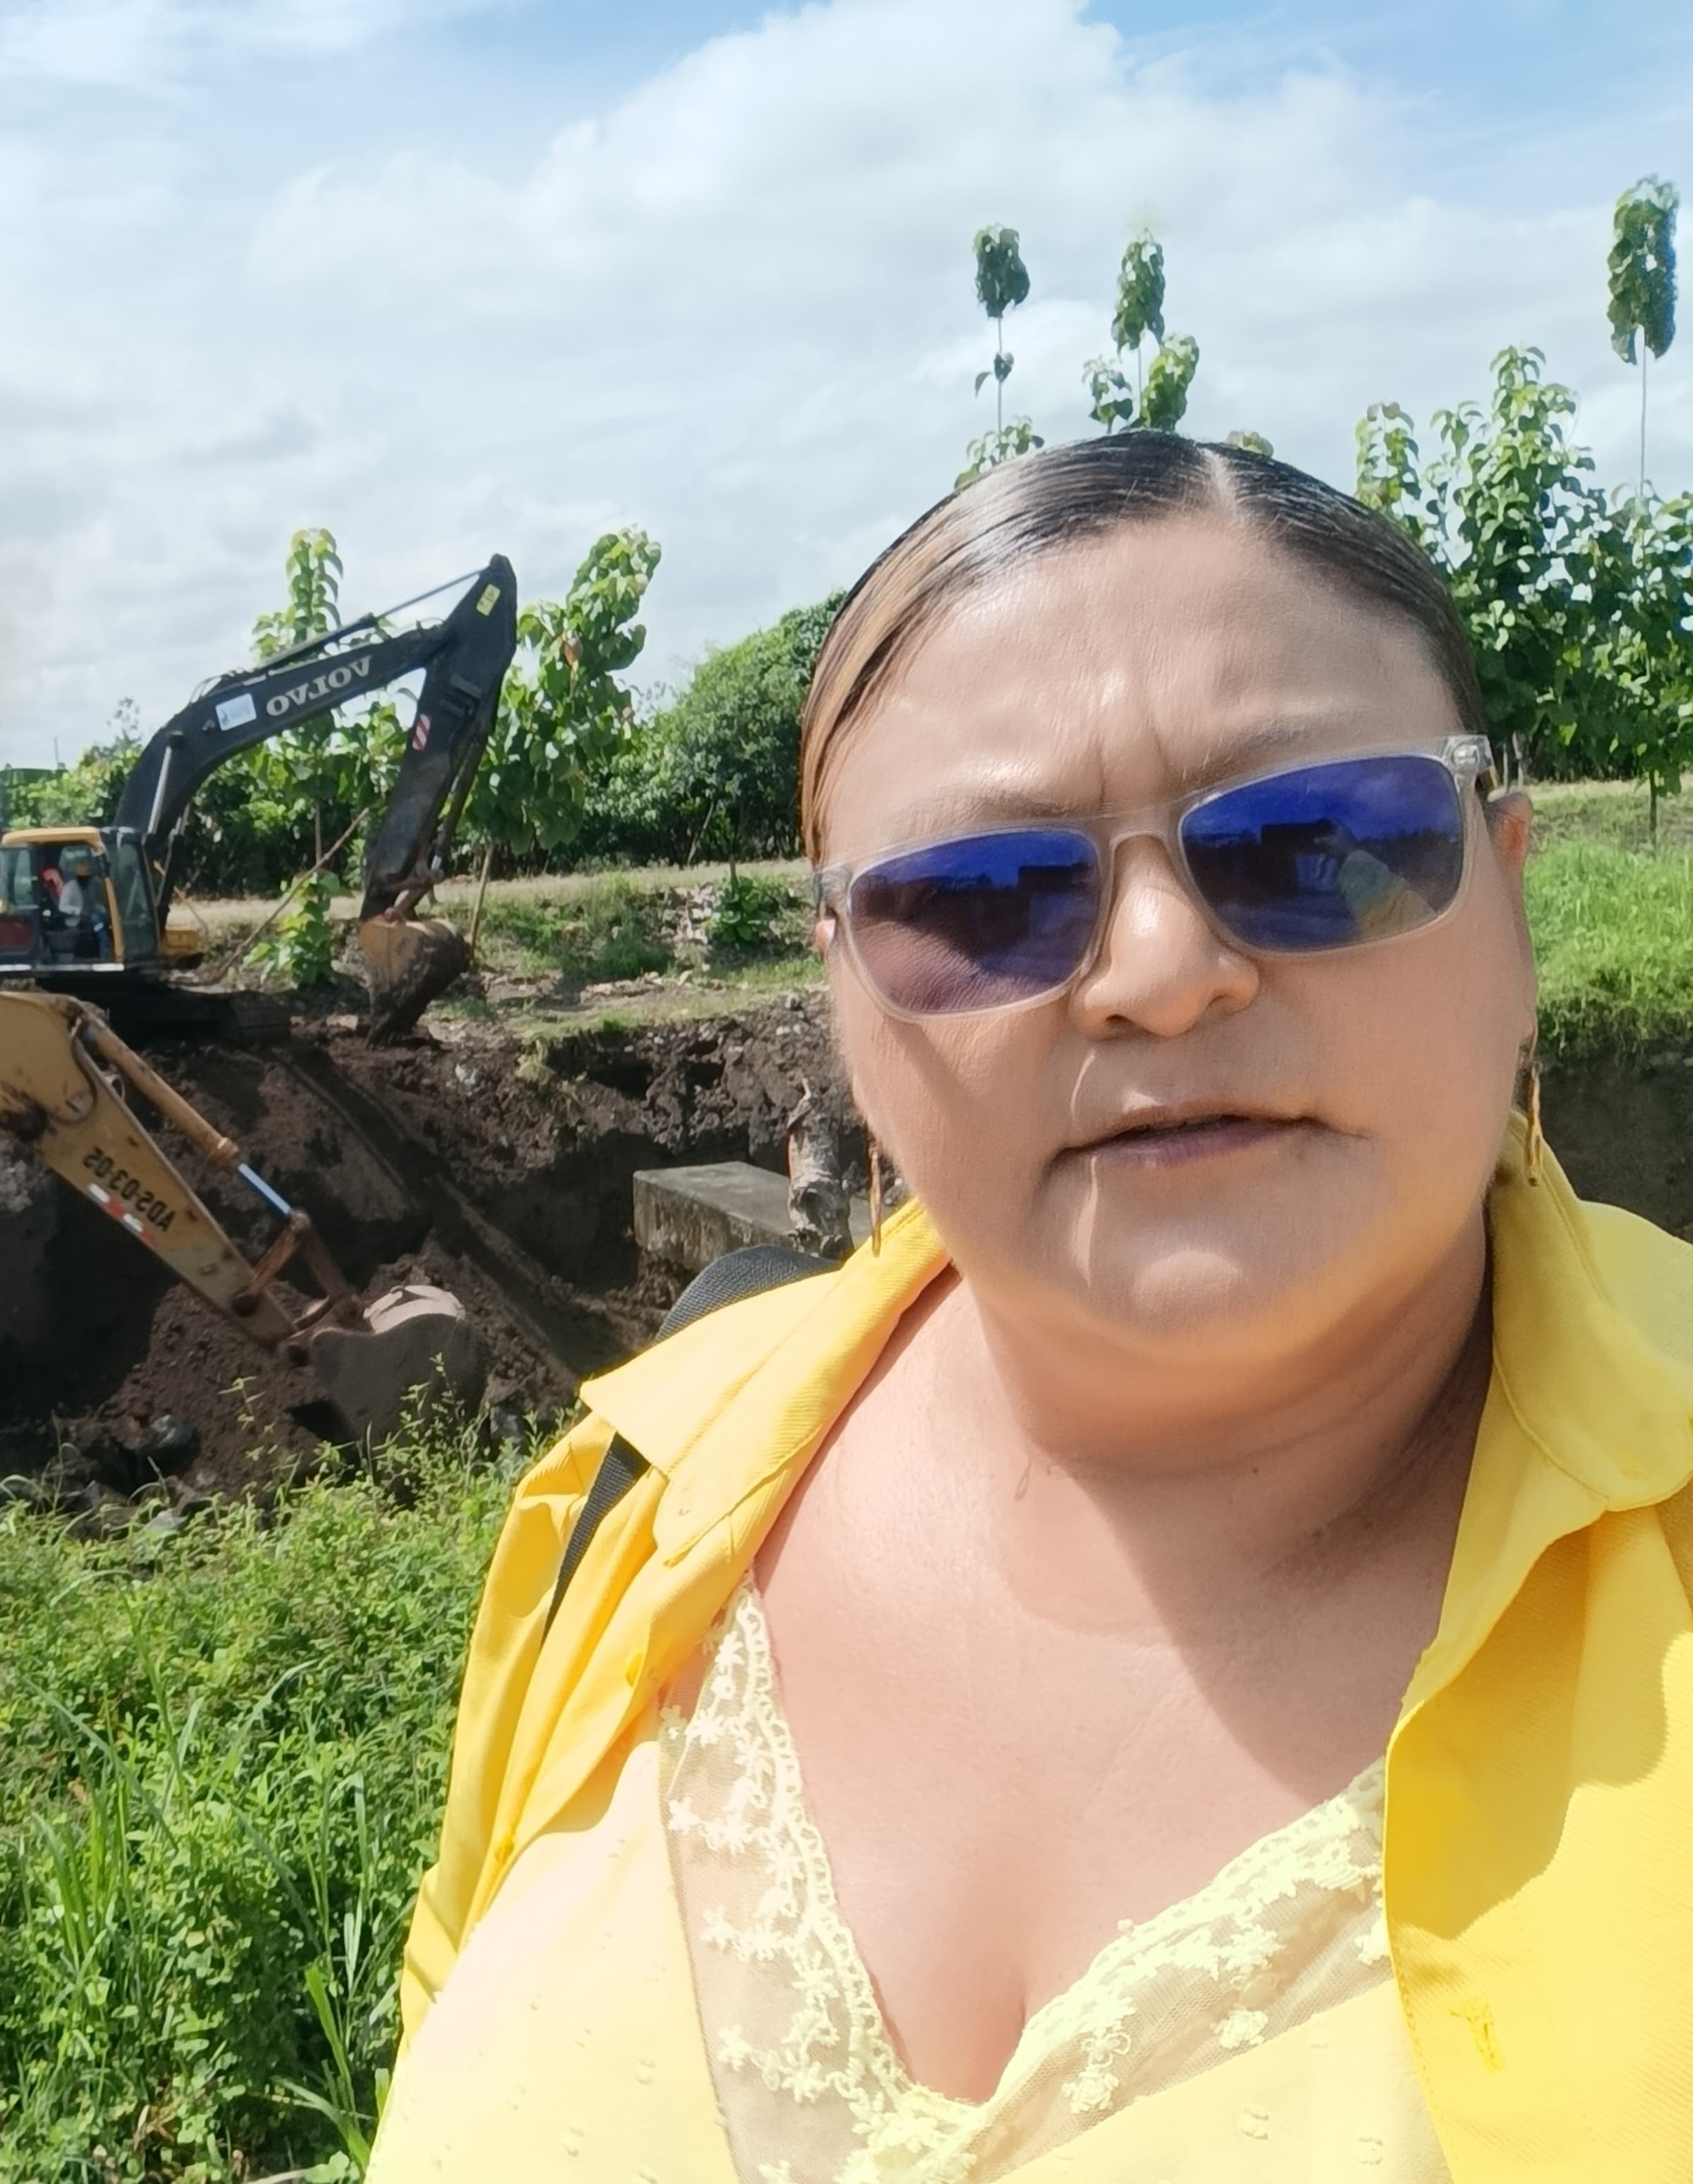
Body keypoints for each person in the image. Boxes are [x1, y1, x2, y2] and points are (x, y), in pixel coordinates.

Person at [372, 435, 1693, 2181]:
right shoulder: (633, 1502)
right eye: (983, 897)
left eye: (1312, 840)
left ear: (1506, 888)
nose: (1159, 971)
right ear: (845, 1005)